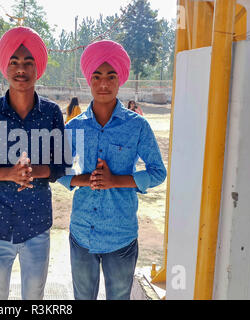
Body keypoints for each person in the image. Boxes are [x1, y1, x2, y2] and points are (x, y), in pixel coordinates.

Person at [57, 40, 167, 300]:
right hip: (82, 232)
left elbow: (157, 171)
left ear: (120, 80)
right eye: (97, 76)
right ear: (89, 80)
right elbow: (57, 170)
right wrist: (84, 179)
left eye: (110, 76)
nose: (103, 84)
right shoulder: (75, 127)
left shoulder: (137, 126)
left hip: (121, 235)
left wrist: (116, 180)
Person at [0, 27, 67, 300]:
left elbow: (61, 165)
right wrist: (7, 174)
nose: (20, 69)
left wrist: (35, 171)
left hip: (37, 226)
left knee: (34, 297)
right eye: (14, 62)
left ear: (38, 68)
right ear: (5, 67)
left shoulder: (51, 113)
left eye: (28, 62)